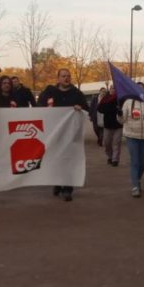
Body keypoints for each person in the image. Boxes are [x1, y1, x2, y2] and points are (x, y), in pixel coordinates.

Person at [38, 68, 88, 201]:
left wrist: (80, 108)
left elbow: (86, 110)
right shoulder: (50, 92)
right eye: (63, 76)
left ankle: (67, 188)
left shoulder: (77, 93)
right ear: (58, 78)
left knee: (68, 160)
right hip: (54, 133)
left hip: (71, 134)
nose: (66, 78)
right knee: (56, 159)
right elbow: (39, 106)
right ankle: (58, 182)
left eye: (68, 76)